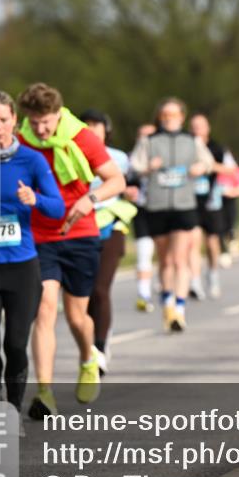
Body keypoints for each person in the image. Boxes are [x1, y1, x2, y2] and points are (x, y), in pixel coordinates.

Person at [18, 83, 125, 420]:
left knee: (78, 317)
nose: (41, 130)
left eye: (46, 122)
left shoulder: (82, 137)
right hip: (39, 236)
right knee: (45, 309)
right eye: (34, 122)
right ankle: (45, 392)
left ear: (58, 114)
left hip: (80, 234)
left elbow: (116, 180)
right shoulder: (21, 141)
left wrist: (89, 198)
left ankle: (87, 357)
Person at [0, 91, 64, 423]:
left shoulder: (32, 161)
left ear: (15, 121)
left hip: (22, 268)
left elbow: (58, 207)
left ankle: (13, 408)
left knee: (16, 345)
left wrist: (35, 199)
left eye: (4, 119)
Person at [129, 98, 213, 332]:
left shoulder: (192, 141)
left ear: (182, 117)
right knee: (165, 259)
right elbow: (134, 166)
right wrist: (149, 168)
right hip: (157, 205)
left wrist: (200, 168)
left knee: (180, 259)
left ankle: (180, 309)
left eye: (174, 115)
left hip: (184, 205)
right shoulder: (149, 141)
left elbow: (207, 162)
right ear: (159, 117)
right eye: (165, 115)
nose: (169, 119)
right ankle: (167, 303)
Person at [80, 110, 136, 375]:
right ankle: (96, 335)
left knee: (101, 289)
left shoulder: (120, 158)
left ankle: (100, 348)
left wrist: (133, 191)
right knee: (86, 292)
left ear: (106, 129)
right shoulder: (71, 153)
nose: (92, 129)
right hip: (81, 227)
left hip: (112, 224)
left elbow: (130, 185)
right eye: (86, 125)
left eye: (96, 125)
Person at [188, 113, 230, 300]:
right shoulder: (186, 147)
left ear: (207, 128)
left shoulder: (217, 148)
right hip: (190, 201)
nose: (197, 130)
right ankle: (195, 281)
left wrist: (208, 166)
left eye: (201, 126)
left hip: (212, 201)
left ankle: (212, 275)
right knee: (193, 242)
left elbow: (230, 169)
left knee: (212, 244)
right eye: (194, 126)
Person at [127, 123, 157, 312]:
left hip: (164, 210)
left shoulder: (166, 156)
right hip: (142, 210)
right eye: (141, 136)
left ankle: (166, 290)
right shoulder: (131, 160)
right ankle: (143, 294)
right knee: (144, 252)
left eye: (149, 137)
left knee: (165, 254)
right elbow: (125, 180)